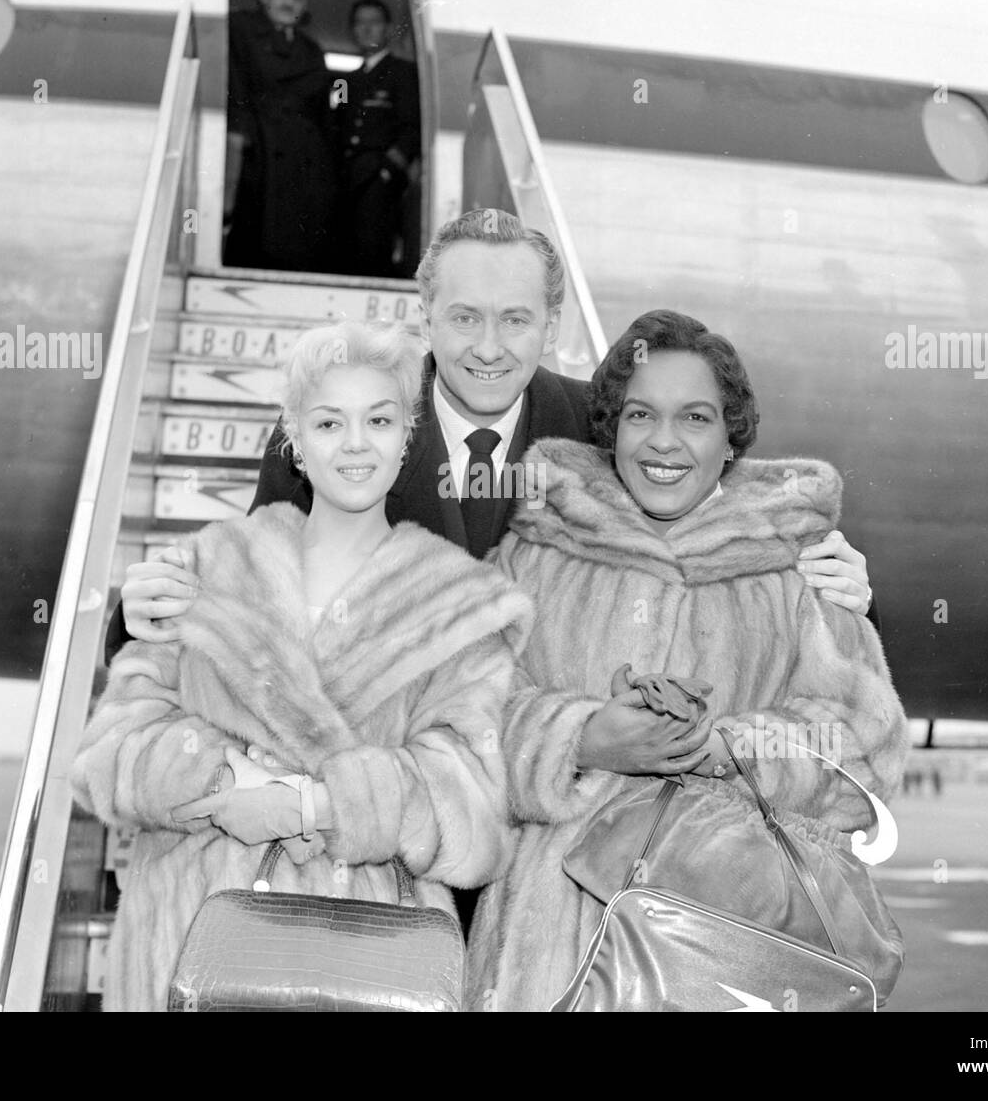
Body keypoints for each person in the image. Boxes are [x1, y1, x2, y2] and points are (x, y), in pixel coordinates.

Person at [104, 208, 878, 926]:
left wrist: (844, 589)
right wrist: (140, 617)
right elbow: (255, 606)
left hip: (554, 863)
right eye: (464, 317)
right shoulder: (345, 437)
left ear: (553, 322)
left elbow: (730, 517)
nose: (487, 347)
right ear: (424, 314)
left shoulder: (607, 426)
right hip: (394, 847)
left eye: (515, 320)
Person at [71, 322, 533, 1010]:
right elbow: (106, 753)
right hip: (185, 936)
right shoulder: (207, 565)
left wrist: (310, 804)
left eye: (378, 420)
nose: (354, 444)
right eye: (328, 422)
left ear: (407, 438)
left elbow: (472, 804)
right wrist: (228, 778)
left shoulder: (460, 604)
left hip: (363, 958)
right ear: (294, 438)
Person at [467, 310, 910, 1010]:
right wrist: (578, 737)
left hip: (724, 962)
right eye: (641, 415)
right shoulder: (537, 552)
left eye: (696, 418)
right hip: (543, 961)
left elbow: (864, 751)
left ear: (731, 439)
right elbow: (462, 721)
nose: (664, 442)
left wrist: (723, 747)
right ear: (610, 427)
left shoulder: (796, 565)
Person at [224, 0, 336, 271]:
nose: (288, 2)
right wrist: (241, 143)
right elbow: (235, 89)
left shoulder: (311, 49)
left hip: (304, 156)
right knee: (252, 236)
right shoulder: (240, 28)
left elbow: (322, 111)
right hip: (257, 147)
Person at [331, 0, 421, 277]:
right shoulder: (344, 81)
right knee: (343, 250)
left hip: (379, 177)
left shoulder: (405, 73)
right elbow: (337, 122)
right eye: (360, 23)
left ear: (388, 28)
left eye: (374, 22)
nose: (367, 29)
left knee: (373, 251)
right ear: (352, 30)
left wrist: (388, 171)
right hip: (347, 175)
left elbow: (412, 127)